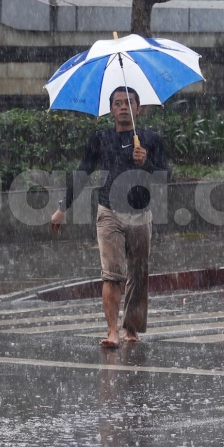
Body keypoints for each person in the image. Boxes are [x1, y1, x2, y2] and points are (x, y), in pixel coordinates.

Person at [51, 86, 171, 348]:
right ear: (111, 110)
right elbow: (83, 172)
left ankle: (132, 329)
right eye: (117, 103)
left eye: (129, 102)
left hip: (140, 213)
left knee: (138, 275)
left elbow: (165, 177)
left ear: (138, 108)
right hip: (108, 212)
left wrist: (146, 162)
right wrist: (63, 207)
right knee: (112, 274)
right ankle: (113, 331)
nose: (123, 107)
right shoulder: (100, 139)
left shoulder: (150, 140)